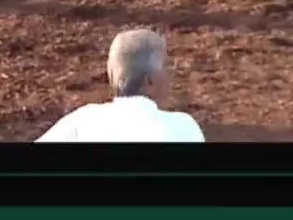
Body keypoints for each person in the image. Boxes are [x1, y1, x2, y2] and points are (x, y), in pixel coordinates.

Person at [35, 28, 204, 142]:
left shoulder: (82, 121)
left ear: (111, 75)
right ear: (150, 81)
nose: (170, 74)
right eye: (166, 66)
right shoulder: (183, 127)